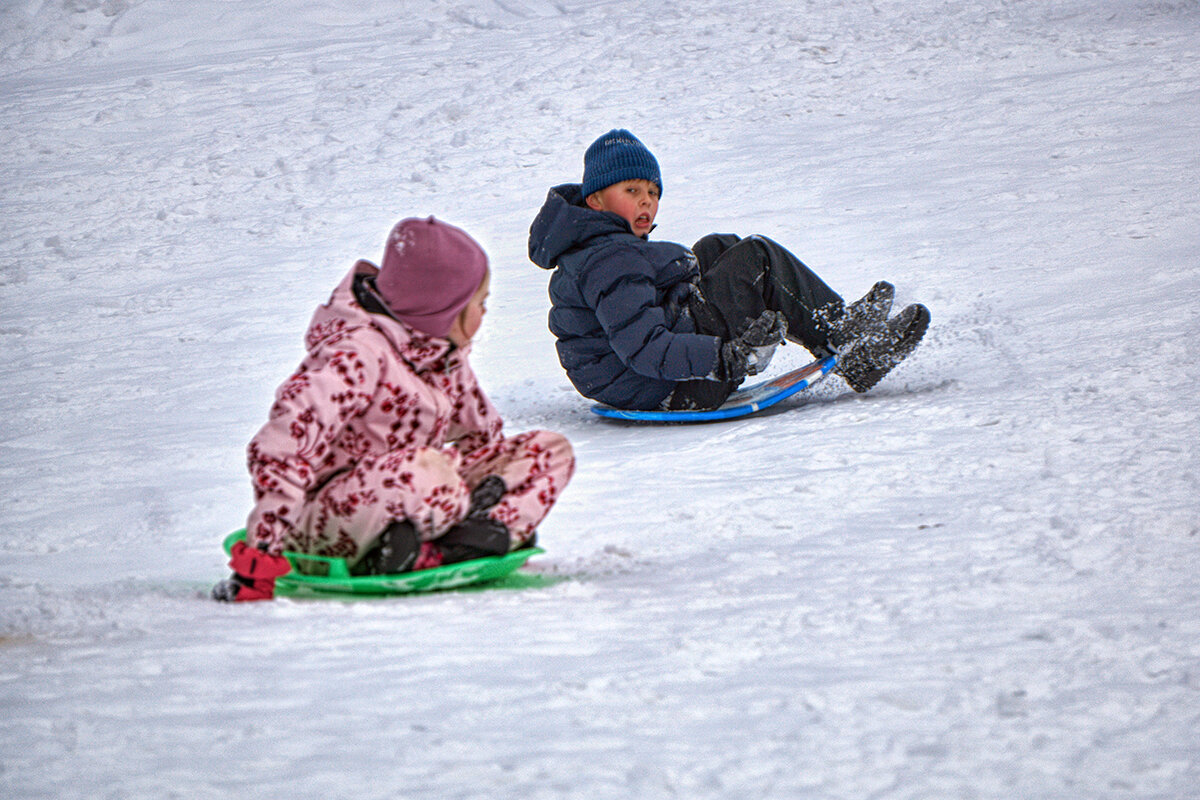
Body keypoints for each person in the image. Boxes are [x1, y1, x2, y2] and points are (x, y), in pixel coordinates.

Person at [213, 216, 576, 601]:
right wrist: (262, 556)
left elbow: (481, 440)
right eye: (479, 303)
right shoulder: (356, 355)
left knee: (549, 450)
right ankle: (431, 544)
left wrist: (496, 490)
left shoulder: (444, 355)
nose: (485, 313)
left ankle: (461, 542)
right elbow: (284, 447)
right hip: (327, 522)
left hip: (425, 499)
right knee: (426, 471)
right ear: (443, 308)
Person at [528, 128, 930, 411]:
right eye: (631, 191)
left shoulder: (602, 249)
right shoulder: (610, 260)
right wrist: (726, 357)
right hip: (668, 387)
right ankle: (845, 341)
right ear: (596, 201)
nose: (646, 202)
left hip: (647, 381)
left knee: (716, 249)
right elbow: (644, 348)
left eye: (652, 192)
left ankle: (839, 327)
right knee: (755, 259)